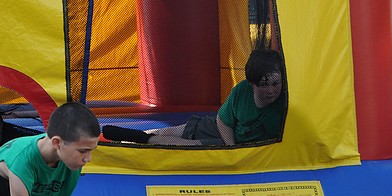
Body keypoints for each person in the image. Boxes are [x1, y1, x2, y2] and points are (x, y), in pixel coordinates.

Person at [102, 48, 285, 146]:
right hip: (222, 131)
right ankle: (124, 138)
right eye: (264, 85)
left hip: (231, 142)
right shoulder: (242, 92)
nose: (271, 90)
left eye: (275, 84)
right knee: (167, 132)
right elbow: (223, 120)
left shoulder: (284, 101)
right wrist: (231, 147)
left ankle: (139, 139)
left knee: (177, 144)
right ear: (253, 84)